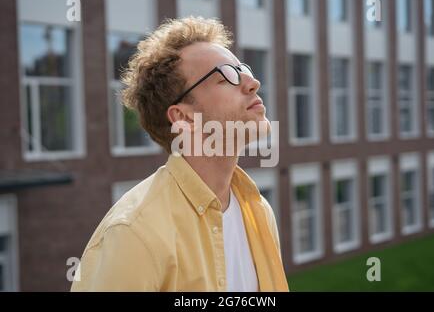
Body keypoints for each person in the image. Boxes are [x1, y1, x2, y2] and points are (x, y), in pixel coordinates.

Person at [71, 16, 289, 292]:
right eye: (227, 75)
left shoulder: (258, 210)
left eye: (243, 68)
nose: (252, 82)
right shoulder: (133, 234)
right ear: (184, 117)